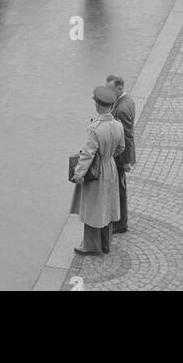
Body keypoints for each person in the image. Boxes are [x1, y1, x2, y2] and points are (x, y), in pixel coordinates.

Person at [70, 85, 125, 256]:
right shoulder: (118, 125)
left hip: (97, 171)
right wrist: (109, 157)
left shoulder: (95, 128)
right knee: (107, 205)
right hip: (111, 167)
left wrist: (78, 174)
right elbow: (121, 148)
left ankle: (91, 246)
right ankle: (105, 243)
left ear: (97, 105)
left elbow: (87, 154)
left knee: (94, 208)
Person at [105, 75, 135, 235]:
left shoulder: (122, 109)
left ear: (119, 88)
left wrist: (126, 161)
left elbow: (127, 136)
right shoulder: (127, 101)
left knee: (119, 189)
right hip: (120, 156)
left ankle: (120, 222)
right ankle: (119, 220)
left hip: (119, 157)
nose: (108, 93)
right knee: (119, 187)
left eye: (110, 90)